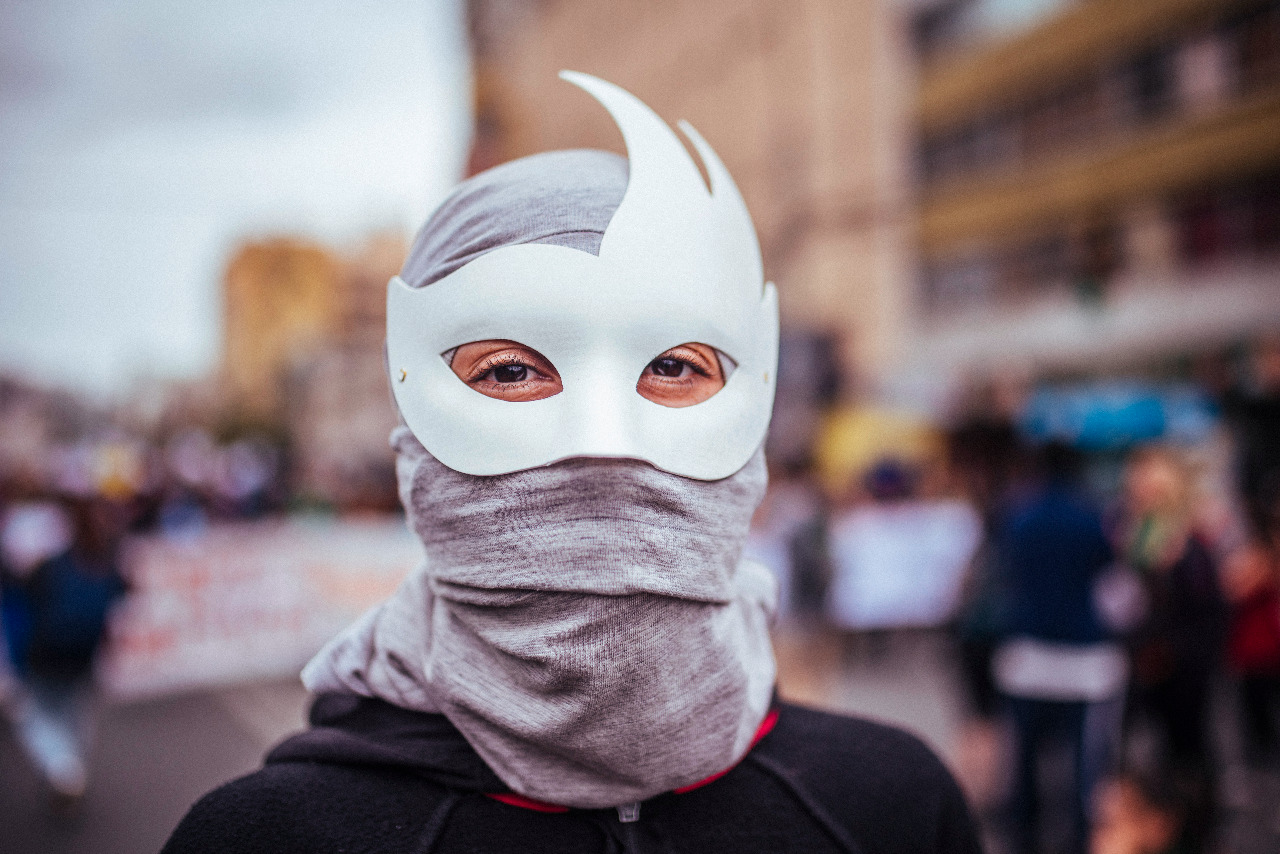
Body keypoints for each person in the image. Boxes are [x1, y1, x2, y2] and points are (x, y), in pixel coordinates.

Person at [162, 73, 980, 853]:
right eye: (510, 371)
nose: (603, 443)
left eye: (673, 366)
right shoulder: (267, 840)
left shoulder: (893, 810)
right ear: (408, 419)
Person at [991, 441, 1125, 854]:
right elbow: (1110, 579)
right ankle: (1081, 838)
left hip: (1028, 654)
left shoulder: (1018, 515)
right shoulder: (1093, 518)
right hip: (1084, 659)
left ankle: (1024, 835)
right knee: (1085, 765)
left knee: (1025, 760)